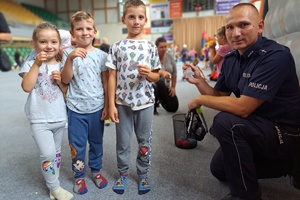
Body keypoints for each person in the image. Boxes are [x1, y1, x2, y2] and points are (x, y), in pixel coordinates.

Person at [184, 3, 300, 200]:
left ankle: (247, 195)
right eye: (230, 27)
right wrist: (200, 83)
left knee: (225, 123)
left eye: (243, 25)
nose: (235, 33)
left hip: (286, 131)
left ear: (260, 26)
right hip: (258, 126)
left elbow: (244, 108)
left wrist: (200, 99)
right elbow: (219, 96)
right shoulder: (230, 59)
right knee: (219, 169)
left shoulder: (275, 56)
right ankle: (289, 165)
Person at [106, 0, 160, 195]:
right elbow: (111, 77)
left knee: (144, 141)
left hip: (145, 102)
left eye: (140, 17)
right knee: (122, 142)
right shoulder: (117, 46)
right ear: (124, 19)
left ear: (145, 20)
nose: (136, 21)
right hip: (122, 103)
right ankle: (122, 173)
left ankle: (143, 173)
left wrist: (149, 74)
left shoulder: (150, 47)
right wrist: (111, 104)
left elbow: (156, 76)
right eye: (131, 17)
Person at [19, 22, 73, 200]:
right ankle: (55, 187)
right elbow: (27, 87)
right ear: (34, 43)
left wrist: (60, 82)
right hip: (39, 118)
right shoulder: (30, 63)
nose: (49, 46)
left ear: (59, 43)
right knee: (48, 154)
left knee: (56, 153)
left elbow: (66, 91)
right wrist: (36, 64)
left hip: (58, 116)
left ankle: (52, 182)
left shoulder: (61, 63)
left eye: (53, 42)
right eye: (43, 42)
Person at [60, 11, 109, 195]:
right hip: (75, 109)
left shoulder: (102, 56)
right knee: (77, 145)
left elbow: (106, 83)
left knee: (96, 143)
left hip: (97, 108)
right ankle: (79, 175)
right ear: (73, 34)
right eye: (79, 29)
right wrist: (71, 58)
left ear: (94, 31)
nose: (85, 32)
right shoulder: (67, 55)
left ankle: (96, 171)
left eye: (88, 28)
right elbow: (65, 80)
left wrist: (107, 105)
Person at [153, 37, 179, 115]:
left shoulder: (170, 57)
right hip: (153, 87)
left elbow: (174, 73)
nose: (164, 49)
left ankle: (160, 99)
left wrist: (173, 87)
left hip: (166, 86)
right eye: (161, 47)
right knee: (159, 82)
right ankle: (154, 104)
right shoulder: (152, 58)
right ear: (156, 47)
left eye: (165, 47)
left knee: (173, 107)